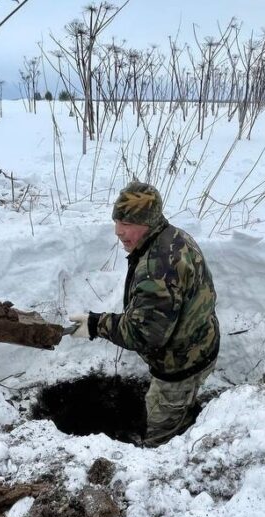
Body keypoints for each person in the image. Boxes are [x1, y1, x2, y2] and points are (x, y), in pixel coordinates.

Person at [69, 181, 220, 448]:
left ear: (148, 223)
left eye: (127, 223)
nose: (118, 231)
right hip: (202, 343)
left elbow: (144, 335)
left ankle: (169, 448)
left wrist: (95, 324)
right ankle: (184, 418)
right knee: (180, 407)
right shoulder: (174, 237)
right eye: (117, 221)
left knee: (159, 437)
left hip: (180, 367)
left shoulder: (157, 270)